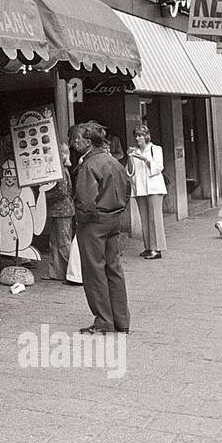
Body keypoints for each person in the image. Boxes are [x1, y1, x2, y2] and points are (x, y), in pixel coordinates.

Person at [72, 124, 132, 335]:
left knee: (94, 271)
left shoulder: (88, 166)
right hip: (113, 218)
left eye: (77, 139)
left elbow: (85, 200)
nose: (74, 143)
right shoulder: (113, 162)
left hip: (94, 222)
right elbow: (127, 188)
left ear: (88, 142)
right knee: (113, 268)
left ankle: (104, 319)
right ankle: (121, 320)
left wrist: (81, 218)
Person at [126, 126, 167, 260]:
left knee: (154, 218)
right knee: (144, 218)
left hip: (154, 188)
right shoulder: (135, 151)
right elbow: (130, 172)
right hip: (140, 188)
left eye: (140, 135)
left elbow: (159, 167)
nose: (137, 138)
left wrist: (144, 159)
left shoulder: (155, 149)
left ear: (146, 136)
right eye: (136, 135)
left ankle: (157, 249)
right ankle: (148, 247)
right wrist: (130, 158)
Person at [44, 144, 75, 281]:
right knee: (56, 242)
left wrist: (44, 196)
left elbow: (61, 192)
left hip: (62, 209)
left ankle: (73, 273)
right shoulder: (62, 170)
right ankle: (58, 273)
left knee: (62, 242)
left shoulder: (61, 171)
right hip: (60, 210)